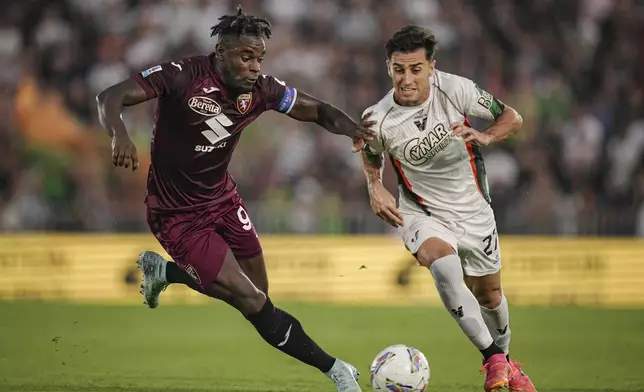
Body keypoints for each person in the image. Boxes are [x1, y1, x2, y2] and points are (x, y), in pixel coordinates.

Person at [96, 6, 374, 392]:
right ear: (222, 53)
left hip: (224, 200)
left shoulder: (260, 90)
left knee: (260, 296)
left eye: (259, 58)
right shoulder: (182, 75)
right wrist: (119, 134)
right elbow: (109, 96)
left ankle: (167, 272)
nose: (255, 66)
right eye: (247, 57)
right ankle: (337, 371)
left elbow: (318, 110)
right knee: (251, 301)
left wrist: (353, 130)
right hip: (177, 215)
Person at [359, 26, 537, 392]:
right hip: (421, 212)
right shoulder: (378, 118)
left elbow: (512, 117)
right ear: (388, 67)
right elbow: (371, 155)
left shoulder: (456, 89)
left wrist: (487, 135)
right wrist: (375, 186)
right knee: (442, 263)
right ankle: (492, 358)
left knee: (489, 295)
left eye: (415, 69)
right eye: (398, 69)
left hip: (474, 211)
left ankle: (506, 365)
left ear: (431, 67)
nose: (406, 78)